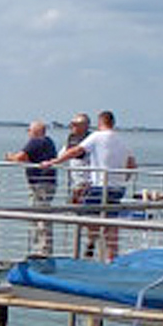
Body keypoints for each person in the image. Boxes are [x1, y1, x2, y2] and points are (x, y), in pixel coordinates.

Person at [45, 110, 138, 260]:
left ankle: (89, 244)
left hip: (101, 186)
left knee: (82, 213)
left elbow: (76, 151)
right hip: (118, 188)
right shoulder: (121, 140)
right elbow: (132, 165)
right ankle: (110, 257)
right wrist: (123, 178)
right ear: (112, 123)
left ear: (100, 122)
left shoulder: (96, 136)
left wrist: (52, 162)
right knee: (111, 221)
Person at [5, 121, 60, 256]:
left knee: (40, 216)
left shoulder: (36, 141)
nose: (28, 133)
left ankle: (42, 250)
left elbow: (20, 157)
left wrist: (9, 157)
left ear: (35, 131)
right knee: (40, 215)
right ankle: (41, 248)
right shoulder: (49, 142)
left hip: (40, 185)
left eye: (29, 130)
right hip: (48, 183)